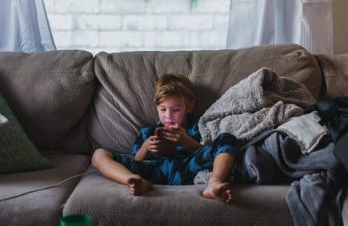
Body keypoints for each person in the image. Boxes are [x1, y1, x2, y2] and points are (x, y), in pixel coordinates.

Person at [91, 74, 239, 203]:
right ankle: (134, 181)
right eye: (163, 109)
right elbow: (136, 160)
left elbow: (207, 152)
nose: (168, 116)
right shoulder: (147, 131)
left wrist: (186, 140)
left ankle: (214, 183)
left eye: (175, 110)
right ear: (157, 108)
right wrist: (145, 148)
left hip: (186, 167)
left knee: (227, 138)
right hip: (153, 170)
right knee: (99, 154)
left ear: (189, 106)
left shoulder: (198, 126)